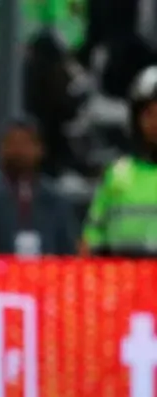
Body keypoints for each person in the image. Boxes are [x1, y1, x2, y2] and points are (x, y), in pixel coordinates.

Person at [0, 118, 78, 257]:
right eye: (12, 143)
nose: (19, 150)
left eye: (25, 143)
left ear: (40, 149)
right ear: (1, 149)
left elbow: (68, 251)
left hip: (45, 274)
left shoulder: (55, 199)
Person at [83, 66, 157, 257]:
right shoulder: (117, 174)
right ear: (135, 120)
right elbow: (91, 241)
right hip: (124, 281)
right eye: (149, 114)